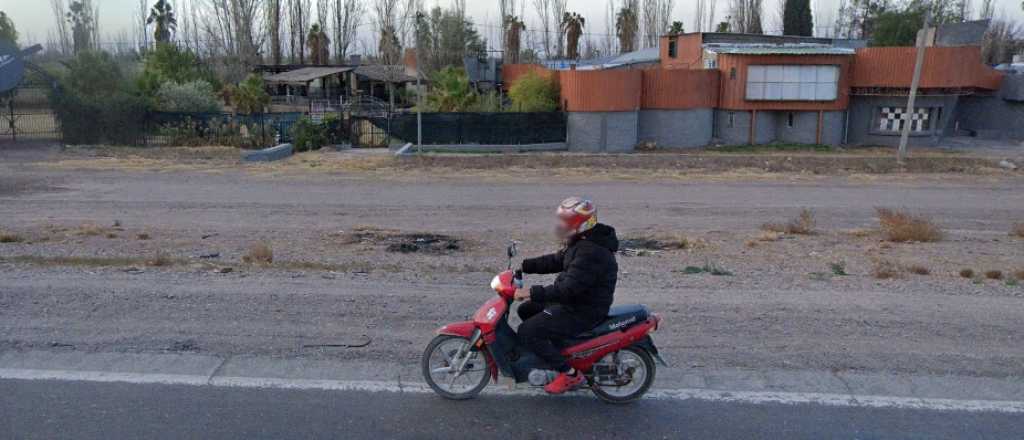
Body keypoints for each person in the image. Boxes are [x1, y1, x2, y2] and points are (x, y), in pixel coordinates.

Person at [514, 197, 619, 394]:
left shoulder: (591, 252)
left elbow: (567, 290)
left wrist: (531, 292)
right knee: (526, 310)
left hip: (583, 310)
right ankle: (558, 352)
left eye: (565, 221)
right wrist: (525, 266)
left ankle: (569, 373)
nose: (560, 225)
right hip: (577, 302)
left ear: (580, 224)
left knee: (528, 331)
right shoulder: (583, 241)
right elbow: (557, 260)